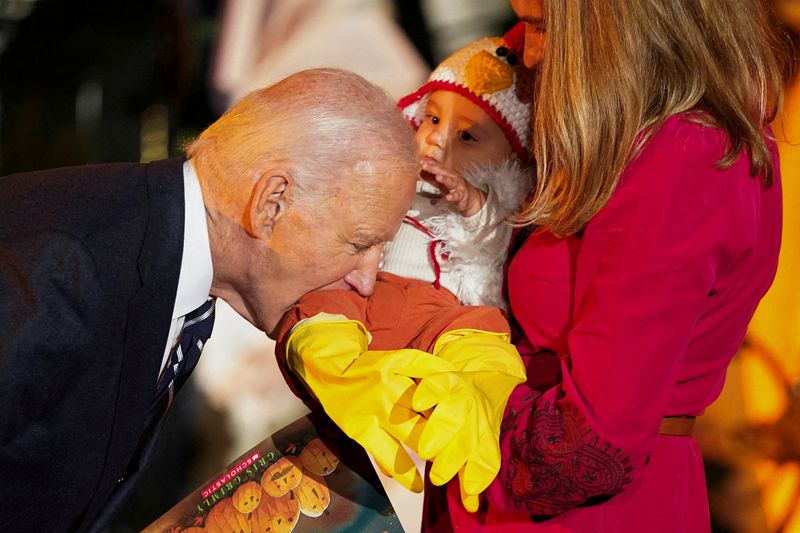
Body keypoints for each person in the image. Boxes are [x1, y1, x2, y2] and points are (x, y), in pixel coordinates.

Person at [416, 0, 785, 531]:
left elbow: (592, 445)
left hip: (582, 513)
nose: (522, 48)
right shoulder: (637, 137)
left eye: (541, 27)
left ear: (616, 29)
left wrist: (439, 404)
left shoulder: (685, 155)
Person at [0, 68, 419, 532]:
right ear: (271, 204)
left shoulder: (163, 262)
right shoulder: (58, 267)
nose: (366, 279)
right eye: (361, 244)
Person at [272, 25, 534, 512]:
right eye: (432, 119)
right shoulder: (399, 182)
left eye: (467, 136)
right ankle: (348, 372)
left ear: (512, 159)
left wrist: (474, 202)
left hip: (443, 320)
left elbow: (495, 250)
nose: (435, 141)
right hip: (372, 297)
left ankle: (468, 402)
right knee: (323, 307)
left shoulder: (503, 207)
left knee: (486, 339)